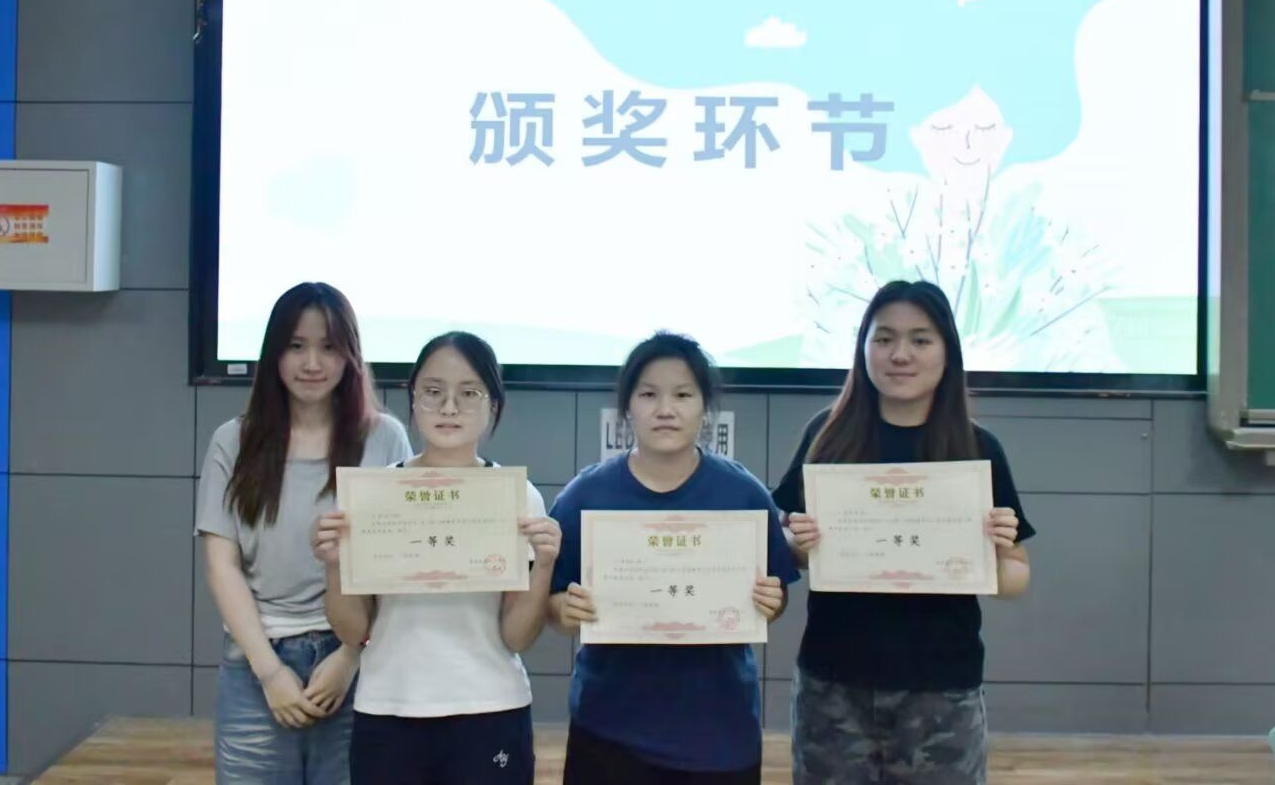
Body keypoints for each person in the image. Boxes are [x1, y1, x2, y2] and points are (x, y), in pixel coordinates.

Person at [774, 278, 1034, 785]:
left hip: (942, 686)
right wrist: (799, 545)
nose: (900, 354)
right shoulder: (827, 434)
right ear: (863, 347)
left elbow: (1016, 577)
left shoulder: (976, 448)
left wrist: (998, 551)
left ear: (947, 351)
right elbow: (787, 551)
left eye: (920, 339)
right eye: (884, 338)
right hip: (835, 682)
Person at [549, 331, 801, 783]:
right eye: (649, 394)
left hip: (719, 733)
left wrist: (770, 601)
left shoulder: (742, 493)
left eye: (683, 395)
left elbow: (776, 597)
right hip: (609, 729)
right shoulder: (585, 495)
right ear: (628, 406)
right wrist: (565, 610)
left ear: (704, 406)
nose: (665, 409)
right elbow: (551, 603)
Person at [314, 331, 560, 783]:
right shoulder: (374, 496)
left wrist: (543, 566)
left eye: (468, 393)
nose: (449, 407)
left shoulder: (518, 498)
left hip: (491, 706)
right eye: (432, 392)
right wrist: (334, 564)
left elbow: (516, 637)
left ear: (493, 406)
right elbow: (353, 629)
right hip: (388, 706)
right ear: (413, 400)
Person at [197, 281, 413, 784]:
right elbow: (222, 564)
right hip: (256, 662)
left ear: (350, 356)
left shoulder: (384, 438)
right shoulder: (233, 441)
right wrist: (270, 672)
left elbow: (400, 564)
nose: (312, 363)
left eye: (329, 347)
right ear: (274, 353)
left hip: (358, 663)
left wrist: (351, 654)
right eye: (296, 346)